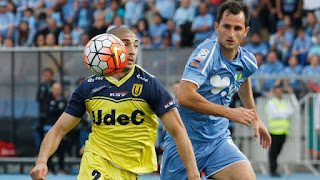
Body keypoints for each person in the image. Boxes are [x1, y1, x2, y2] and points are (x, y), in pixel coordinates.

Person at [30, 27, 200, 180]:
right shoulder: (88, 87)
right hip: (96, 160)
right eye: (126, 44)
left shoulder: (149, 84)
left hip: (131, 169)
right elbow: (59, 129)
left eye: (136, 45)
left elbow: (178, 130)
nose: (132, 51)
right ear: (108, 46)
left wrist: (193, 175)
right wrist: (41, 161)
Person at [160, 1, 271, 180]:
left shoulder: (247, 60)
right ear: (217, 27)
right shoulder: (206, 53)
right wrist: (230, 113)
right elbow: (185, 96)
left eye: (237, 28)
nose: (231, 34)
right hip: (186, 140)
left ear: (246, 31)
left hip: (218, 141)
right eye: (226, 27)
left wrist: (255, 118)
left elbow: (243, 77)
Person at [267, 83, 293, 177]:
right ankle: (272, 170)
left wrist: (282, 114)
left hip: (284, 132)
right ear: (274, 93)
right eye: (277, 92)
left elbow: (291, 111)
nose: (279, 93)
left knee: (277, 152)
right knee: (273, 153)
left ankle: (274, 169)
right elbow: (275, 115)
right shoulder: (271, 102)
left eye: (280, 92)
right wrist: (284, 114)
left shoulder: (285, 102)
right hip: (274, 132)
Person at [43, 82, 67, 174]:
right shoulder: (48, 100)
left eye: (58, 88)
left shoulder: (63, 101)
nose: (56, 90)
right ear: (52, 90)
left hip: (61, 129)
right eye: (55, 88)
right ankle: (49, 169)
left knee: (61, 149)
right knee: (49, 149)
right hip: (49, 128)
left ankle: (61, 168)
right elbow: (49, 114)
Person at [35, 68, 56, 148]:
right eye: (45, 75)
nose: (46, 77)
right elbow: (38, 98)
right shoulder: (42, 86)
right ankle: (41, 148)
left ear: (51, 75)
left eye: (48, 75)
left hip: (52, 114)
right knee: (39, 130)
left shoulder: (54, 84)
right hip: (43, 112)